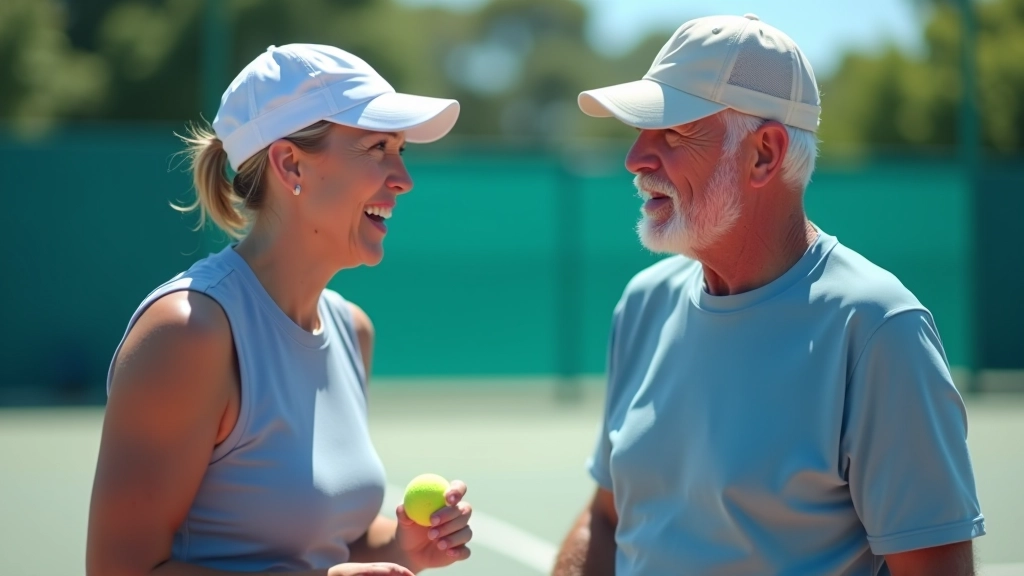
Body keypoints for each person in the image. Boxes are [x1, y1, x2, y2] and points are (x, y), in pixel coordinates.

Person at [553, 14, 985, 576]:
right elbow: (607, 519)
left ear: (764, 153)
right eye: (640, 132)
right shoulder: (643, 304)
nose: (636, 158)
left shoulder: (880, 328)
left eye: (673, 132)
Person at [87, 44, 472, 576]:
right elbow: (119, 571)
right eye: (379, 147)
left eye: (401, 149)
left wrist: (405, 546)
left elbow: (333, 546)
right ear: (290, 163)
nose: (403, 177)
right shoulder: (188, 332)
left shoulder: (351, 329)